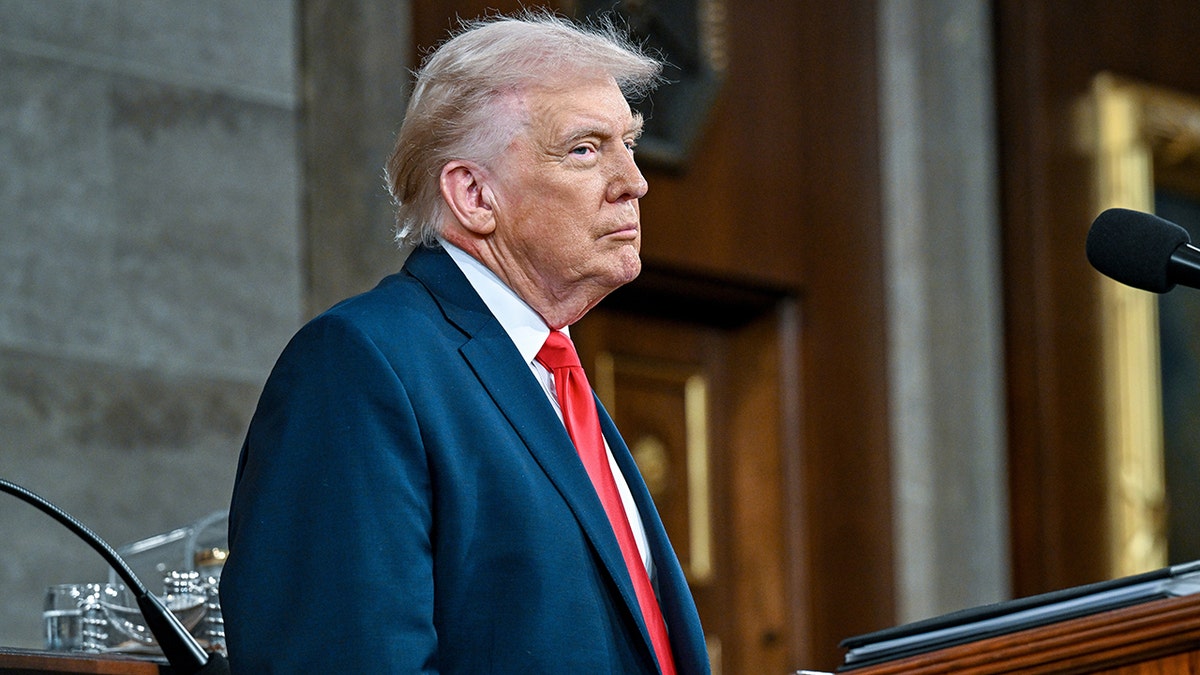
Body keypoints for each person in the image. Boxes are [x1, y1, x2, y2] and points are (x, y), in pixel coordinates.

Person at [219, 10, 711, 674]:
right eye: (586, 149)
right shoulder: (360, 365)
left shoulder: (553, 378)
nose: (634, 180)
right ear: (475, 194)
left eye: (630, 141)